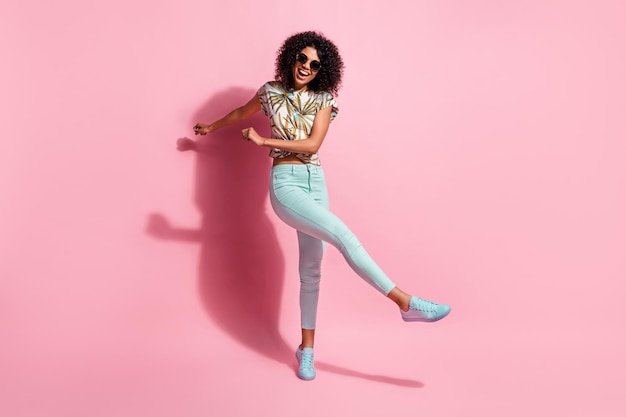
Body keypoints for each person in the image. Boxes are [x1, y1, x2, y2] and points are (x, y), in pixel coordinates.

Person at [177, 31, 450, 381]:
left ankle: (306, 350)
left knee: (311, 271)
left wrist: (263, 140)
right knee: (342, 234)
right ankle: (405, 302)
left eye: (315, 64)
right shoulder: (270, 92)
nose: (306, 67)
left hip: (315, 181)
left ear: (323, 71)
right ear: (291, 57)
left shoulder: (323, 100)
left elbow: (312, 144)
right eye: (302, 59)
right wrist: (212, 126)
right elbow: (241, 112)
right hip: (286, 184)